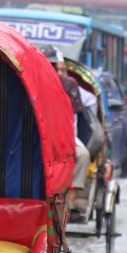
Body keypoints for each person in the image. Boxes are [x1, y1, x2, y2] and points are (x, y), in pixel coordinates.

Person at [49, 48, 91, 220]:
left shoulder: (69, 86)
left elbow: (73, 118)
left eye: (60, 69)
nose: (58, 73)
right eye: (54, 68)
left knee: (83, 155)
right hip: (42, 139)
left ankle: (70, 202)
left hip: (65, 138)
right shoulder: (36, 83)